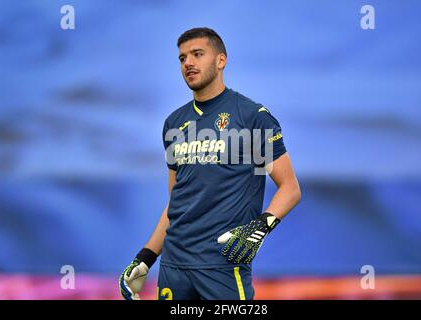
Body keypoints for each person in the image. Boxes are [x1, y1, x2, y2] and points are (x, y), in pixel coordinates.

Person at [119, 27, 301, 300]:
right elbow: (175, 203)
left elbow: (290, 189)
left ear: (221, 60)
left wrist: (259, 229)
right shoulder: (174, 124)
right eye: (182, 58)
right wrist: (145, 258)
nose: (188, 63)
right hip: (174, 266)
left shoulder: (251, 116)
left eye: (197, 54)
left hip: (222, 265)